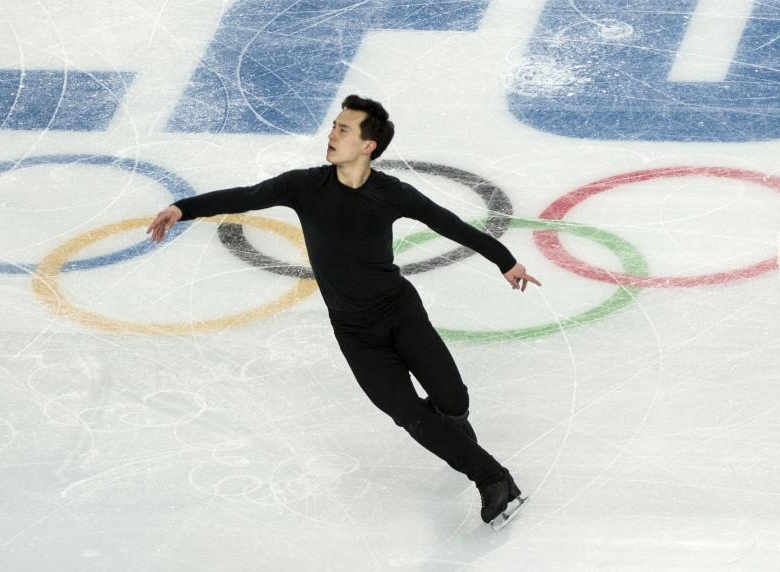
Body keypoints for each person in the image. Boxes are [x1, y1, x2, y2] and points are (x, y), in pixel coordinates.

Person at [147, 95, 541, 526]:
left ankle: (456, 437)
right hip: (354, 332)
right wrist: (182, 208)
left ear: (368, 145)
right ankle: (492, 478)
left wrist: (505, 261)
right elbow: (247, 195)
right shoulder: (304, 186)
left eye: (343, 129)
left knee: (452, 401)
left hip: (400, 314)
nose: (331, 135)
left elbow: (450, 224)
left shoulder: (392, 194)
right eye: (334, 126)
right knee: (408, 414)